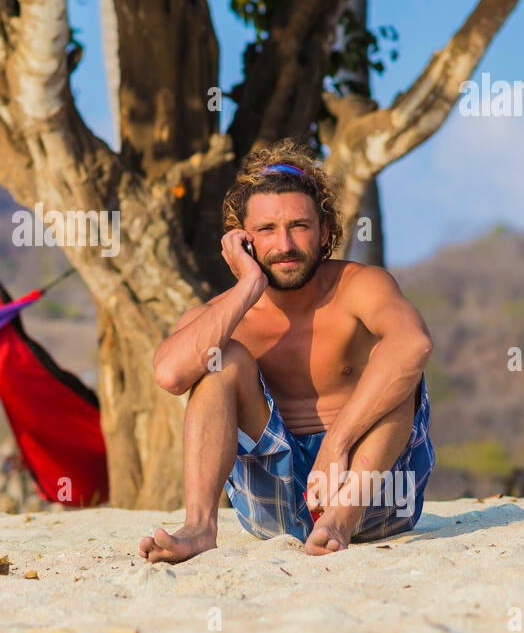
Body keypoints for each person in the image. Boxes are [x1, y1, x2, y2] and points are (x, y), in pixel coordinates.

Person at [141, 139, 436, 562]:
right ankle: (200, 528)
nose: (285, 244)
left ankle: (338, 522)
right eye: (265, 230)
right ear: (242, 242)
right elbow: (170, 375)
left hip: (373, 495)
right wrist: (247, 287)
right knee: (219, 358)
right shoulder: (223, 312)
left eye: (299, 225)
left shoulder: (361, 285)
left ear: (324, 233)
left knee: (397, 363)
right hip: (271, 505)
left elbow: (415, 344)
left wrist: (337, 442)